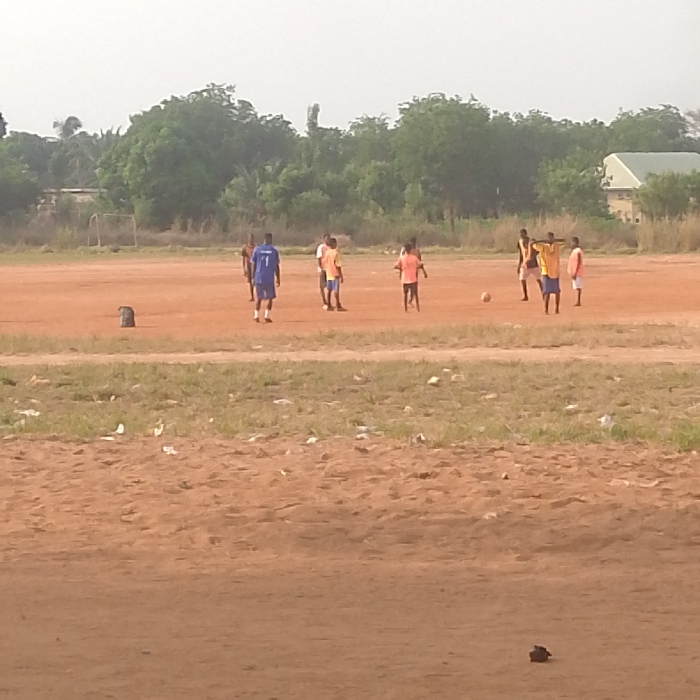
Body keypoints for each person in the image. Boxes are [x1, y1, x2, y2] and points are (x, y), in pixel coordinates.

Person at [532, 232, 565, 315]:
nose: (550, 239)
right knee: (547, 292)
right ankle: (546, 310)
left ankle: (557, 309)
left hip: (555, 271)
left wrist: (554, 241)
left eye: (551, 237)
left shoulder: (556, 246)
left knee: (557, 292)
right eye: (548, 237)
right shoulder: (542, 247)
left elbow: (564, 241)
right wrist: (544, 241)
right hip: (546, 271)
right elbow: (533, 244)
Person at [250, 233, 281, 323]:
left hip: (259, 276)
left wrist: (252, 277)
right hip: (269, 277)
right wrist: (278, 277)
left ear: (264, 239)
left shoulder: (257, 249)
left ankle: (256, 315)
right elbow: (276, 265)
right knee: (270, 297)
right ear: (270, 239)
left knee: (259, 296)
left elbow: (253, 264)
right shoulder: (274, 250)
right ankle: (267, 315)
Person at [395, 242, 427, 312]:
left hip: (405, 279)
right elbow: (420, 265)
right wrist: (423, 272)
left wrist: (402, 269)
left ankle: (405, 309)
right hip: (413, 278)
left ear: (405, 250)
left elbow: (396, 266)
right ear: (410, 250)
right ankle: (418, 308)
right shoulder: (414, 258)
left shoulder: (402, 258)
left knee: (405, 294)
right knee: (416, 294)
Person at [516, 228, 543, 301]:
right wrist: (519, 264)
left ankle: (544, 294)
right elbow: (521, 253)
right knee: (522, 279)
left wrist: (532, 257)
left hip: (533, 264)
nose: (521, 235)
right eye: (520, 234)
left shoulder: (532, 241)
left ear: (526, 234)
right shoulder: (520, 242)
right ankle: (525, 296)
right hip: (525, 264)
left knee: (538, 279)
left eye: (523, 234)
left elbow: (538, 251)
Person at [322, 237, 346, 311]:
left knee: (329, 290)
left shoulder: (327, 253)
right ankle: (338, 305)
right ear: (334, 244)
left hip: (328, 273)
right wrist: (341, 275)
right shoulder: (335, 253)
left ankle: (329, 305)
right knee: (336, 290)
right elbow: (337, 265)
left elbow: (324, 263)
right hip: (335, 274)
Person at [399, 236, 423, 306]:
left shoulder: (417, 251)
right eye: (413, 242)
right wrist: (400, 272)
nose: (413, 244)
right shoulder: (405, 251)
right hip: (406, 272)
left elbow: (420, 261)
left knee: (414, 287)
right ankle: (408, 300)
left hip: (414, 271)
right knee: (407, 287)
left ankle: (410, 300)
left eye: (414, 243)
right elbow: (401, 262)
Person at [568, 237, 585, 307]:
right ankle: (578, 301)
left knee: (578, 286)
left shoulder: (578, 251)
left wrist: (575, 272)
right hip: (574, 271)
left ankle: (578, 301)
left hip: (577, 272)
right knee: (576, 286)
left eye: (572, 242)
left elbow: (578, 262)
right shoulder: (574, 251)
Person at [316, 233, 331, 309]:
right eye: (326, 238)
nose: (327, 240)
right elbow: (319, 258)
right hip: (323, 269)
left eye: (328, 238)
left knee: (329, 286)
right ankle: (324, 302)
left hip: (330, 269)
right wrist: (321, 268)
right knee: (322, 286)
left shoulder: (331, 247)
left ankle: (329, 302)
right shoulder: (321, 247)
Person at [241, 234, 256, 302]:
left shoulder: (256, 247)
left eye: (252, 238)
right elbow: (244, 259)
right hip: (249, 267)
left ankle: (260, 295)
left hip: (256, 267)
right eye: (249, 238)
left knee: (258, 282)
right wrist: (244, 269)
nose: (251, 240)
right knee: (250, 282)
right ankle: (252, 296)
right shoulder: (245, 248)